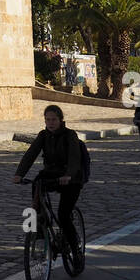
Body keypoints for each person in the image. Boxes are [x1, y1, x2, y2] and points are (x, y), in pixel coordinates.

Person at [13, 104, 85, 267]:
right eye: (47, 120)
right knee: (37, 182)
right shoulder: (43, 135)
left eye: (53, 120)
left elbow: (75, 159)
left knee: (63, 215)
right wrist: (19, 174)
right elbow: (30, 154)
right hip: (52, 174)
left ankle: (76, 251)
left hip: (71, 179)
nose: (50, 123)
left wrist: (68, 175)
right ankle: (40, 225)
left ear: (60, 120)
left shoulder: (70, 135)